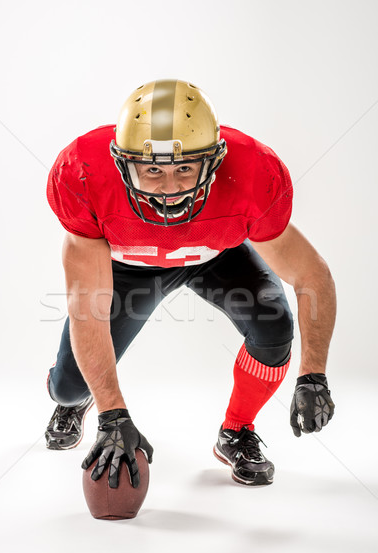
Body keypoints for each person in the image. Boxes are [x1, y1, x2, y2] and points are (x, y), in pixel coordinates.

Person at [45, 79, 336, 488]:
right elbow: (87, 309)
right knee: (68, 388)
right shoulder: (84, 174)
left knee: (274, 325)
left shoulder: (253, 172)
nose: (169, 188)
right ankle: (75, 401)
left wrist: (313, 374)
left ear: (214, 160)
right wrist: (113, 414)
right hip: (127, 266)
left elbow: (311, 275)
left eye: (184, 167)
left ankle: (236, 430)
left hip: (215, 256)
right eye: (152, 170)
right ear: (121, 163)